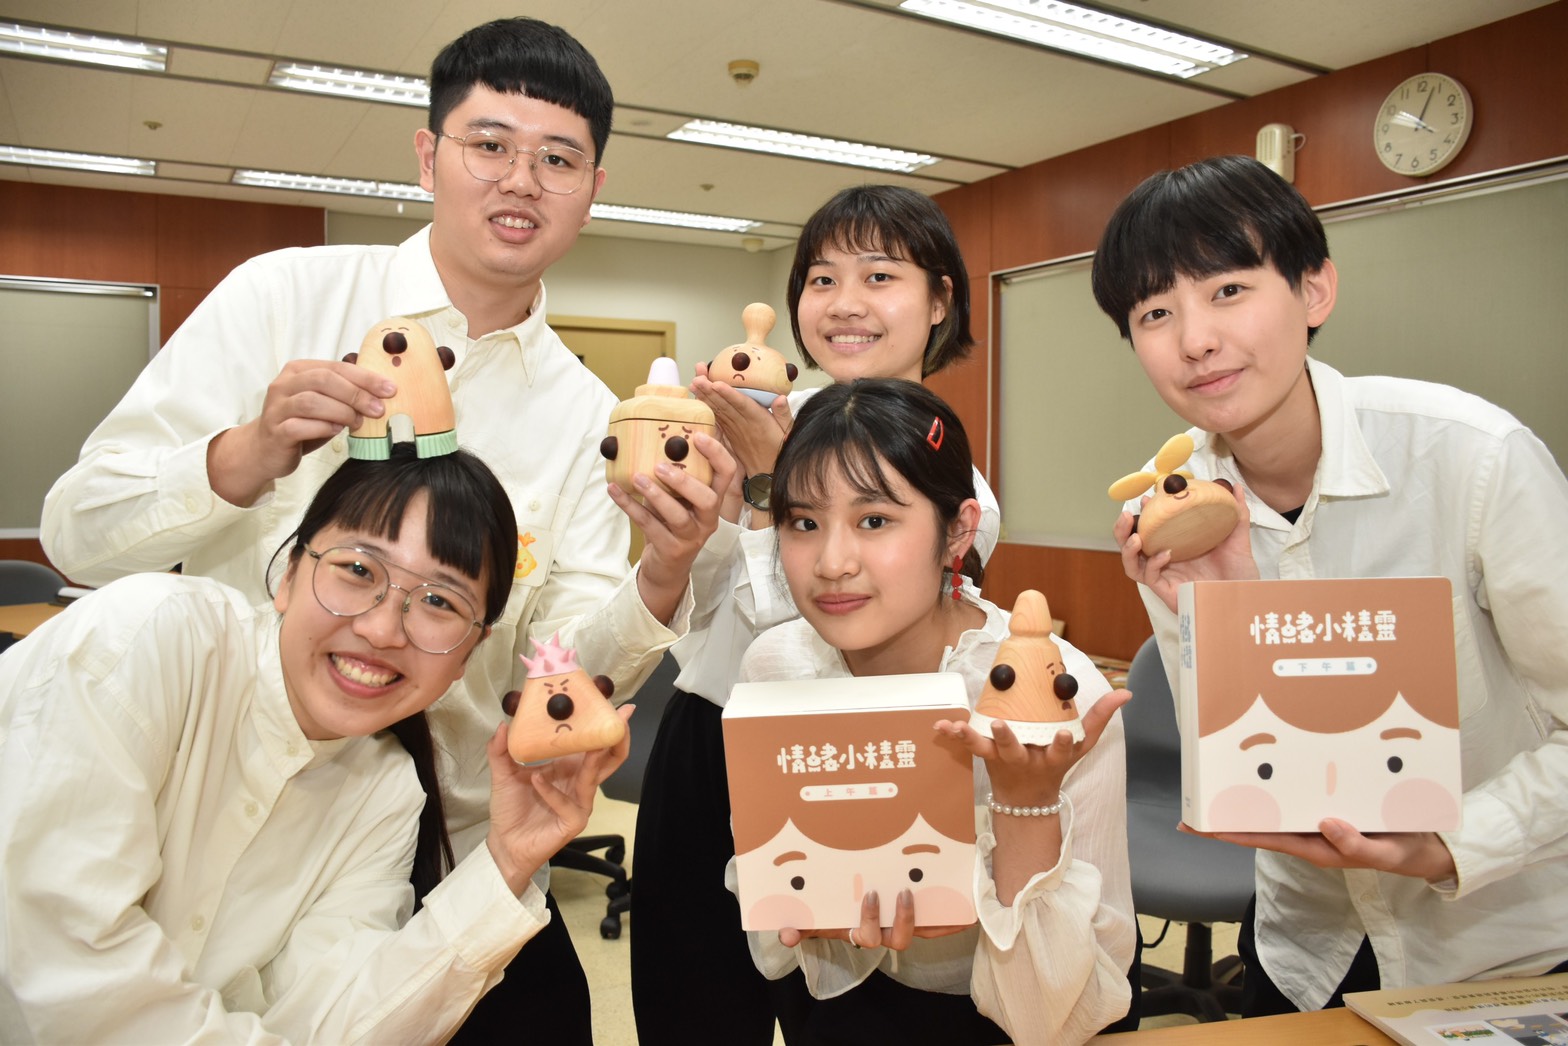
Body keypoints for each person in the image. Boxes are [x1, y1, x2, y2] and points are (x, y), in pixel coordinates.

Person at [37, 18, 733, 1043]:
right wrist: (246, 453)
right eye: (488, 144)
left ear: (592, 189)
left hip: (453, 838)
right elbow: (77, 532)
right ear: (426, 155)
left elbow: (561, 670)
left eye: (557, 159)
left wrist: (663, 574)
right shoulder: (285, 298)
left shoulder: (587, 414)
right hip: (204, 818)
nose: (520, 180)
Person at [1094, 154, 1568, 1015]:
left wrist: (1448, 844)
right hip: (1308, 945)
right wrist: (1231, 616)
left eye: (1228, 290)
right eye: (1156, 312)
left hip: (1505, 943)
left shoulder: (1474, 459)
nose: (1194, 340)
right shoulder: (1170, 511)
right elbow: (1242, 765)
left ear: (1314, 290)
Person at [0, 446, 632, 1042]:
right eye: (358, 570)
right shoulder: (147, 639)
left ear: (469, 654)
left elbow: (335, 1021)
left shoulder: (387, 791)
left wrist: (508, 859)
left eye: (439, 601)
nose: (382, 629)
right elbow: (71, 977)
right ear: (288, 572)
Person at [628, 185, 1007, 1044]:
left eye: (880, 276)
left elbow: (810, 634)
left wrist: (776, 487)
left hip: (842, 753)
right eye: (822, 279)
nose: (844, 304)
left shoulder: (956, 488)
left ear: (940, 300)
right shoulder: (754, 419)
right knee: (688, 1002)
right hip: (707, 730)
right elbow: (702, 606)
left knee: (830, 1000)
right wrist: (690, 514)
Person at [732, 377, 1135, 1045]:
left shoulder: (1048, 694)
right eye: (804, 523)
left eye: (874, 521)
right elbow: (777, 933)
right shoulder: (777, 669)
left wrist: (1025, 804)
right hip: (848, 1006)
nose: (831, 562)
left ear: (958, 531)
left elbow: (1058, 1017)